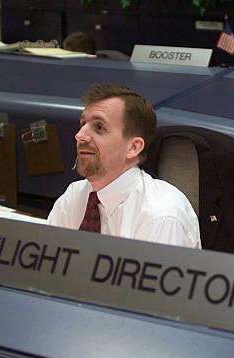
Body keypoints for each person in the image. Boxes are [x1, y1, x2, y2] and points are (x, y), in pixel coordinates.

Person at [48, 83, 201, 248]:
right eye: (83, 123)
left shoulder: (161, 215)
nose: (80, 136)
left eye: (99, 127)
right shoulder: (73, 196)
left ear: (133, 148)